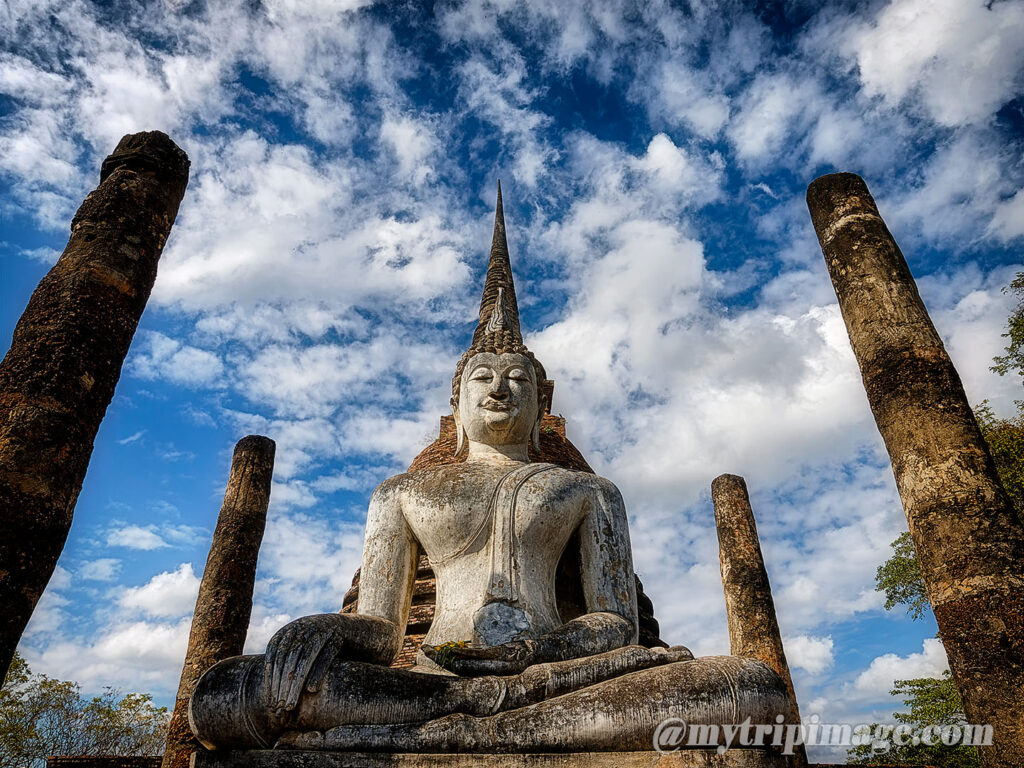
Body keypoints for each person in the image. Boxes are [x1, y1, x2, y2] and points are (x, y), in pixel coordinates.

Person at [189, 186, 790, 755]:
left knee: (749, 690)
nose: (500, 387)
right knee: (224, 694)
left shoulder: (587, 491)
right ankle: (483, 719)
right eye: (483, 376)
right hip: (429, 681)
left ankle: (462, 725)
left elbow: (615, 624)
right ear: (455, 403)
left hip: (555, 679)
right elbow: (381, 629)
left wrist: (542, 651)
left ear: (541, 406)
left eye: (518, 379)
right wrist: (327, 631)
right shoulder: (400, 493)